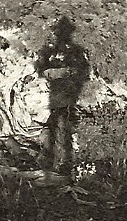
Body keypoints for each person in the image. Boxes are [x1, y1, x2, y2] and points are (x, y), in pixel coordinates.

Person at [35, 16, 89, 175]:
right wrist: (55, 72)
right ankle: (48, 161)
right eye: (58, 32)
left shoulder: (77, 51)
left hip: (69, 96)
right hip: (53, 96)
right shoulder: (49, 51)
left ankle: (65, 163)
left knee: (66, 129)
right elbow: (40, 70)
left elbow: (84, 71)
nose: (60, 35)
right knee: (51, 128)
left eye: (64, 32)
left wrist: (70, 75)